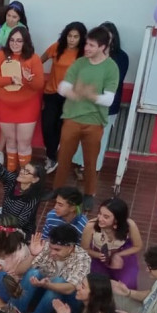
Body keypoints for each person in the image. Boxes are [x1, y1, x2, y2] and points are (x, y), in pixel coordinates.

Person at [53, 26, 121, 203]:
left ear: (103, 47)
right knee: (64, 158)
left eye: (91, 45)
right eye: (87, 44)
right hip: (71, 118)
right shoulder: (80, 63)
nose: (87, 48)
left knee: (90, 161)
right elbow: (62, 87)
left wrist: (90, 95)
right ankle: (57, 190)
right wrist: (73, 92)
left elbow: (109, 99)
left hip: (94, 121)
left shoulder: (111, 67)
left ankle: (89, 194)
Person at [72, 22, 130, 175]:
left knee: (99, 138)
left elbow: (115, 82)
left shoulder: (121, 57)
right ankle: (80, 162)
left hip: (107, 105)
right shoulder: (91, 54)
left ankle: (92, 167)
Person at [0, 26, 44, 172]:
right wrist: (11, 79)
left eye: (19, 40)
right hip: (5, 105)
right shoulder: (1, 55)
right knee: (11, 142)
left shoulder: (34, 58)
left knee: (24, 143)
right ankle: (11, 175)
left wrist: (28, 79)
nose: (15, 43)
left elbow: (39, 84)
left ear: (25, 42)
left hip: (27, 107)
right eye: (12, 40)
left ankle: (25, 175)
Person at [13, 224, 91, 313]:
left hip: (69, 300)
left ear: (70, 247)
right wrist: (33, 255)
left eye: (57, 250)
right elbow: (18, 271)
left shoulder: (82, 257)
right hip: (44, 293)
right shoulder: (46, 247)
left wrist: (47, 285)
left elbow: (70, 288)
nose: (52, 252)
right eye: (51, 248)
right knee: (33, 273)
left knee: (58, 281)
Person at [40, 22, 86, 173]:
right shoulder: (56, 47)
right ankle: (52, 153)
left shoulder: (83, 53)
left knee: (60, 127)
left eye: (76, 37)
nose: (72, 39)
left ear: (81, 38)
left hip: (69, 97)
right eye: (70, 36)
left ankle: (51, 157)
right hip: (51, 93)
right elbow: (39, 61)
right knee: (47, 126)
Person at [0, 143, 48, 238]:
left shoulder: (33, 199)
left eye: (27, 171)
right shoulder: (13, 181)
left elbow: (20, 222)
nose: (21, 171)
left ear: (35, 179)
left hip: (19, 233)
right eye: (23, 168)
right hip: (2, 222)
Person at [81, 198, 143, 289]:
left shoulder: (129, 224)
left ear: (117, 219)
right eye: (100, 214)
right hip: (100, 257)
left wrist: (118, 255)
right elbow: (85, 248)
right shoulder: (91, 225)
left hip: (123, 254)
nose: (100, 218)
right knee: (99, 286)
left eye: (106, 217)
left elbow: (138, 246)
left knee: (127, 285)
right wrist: (98, 255)